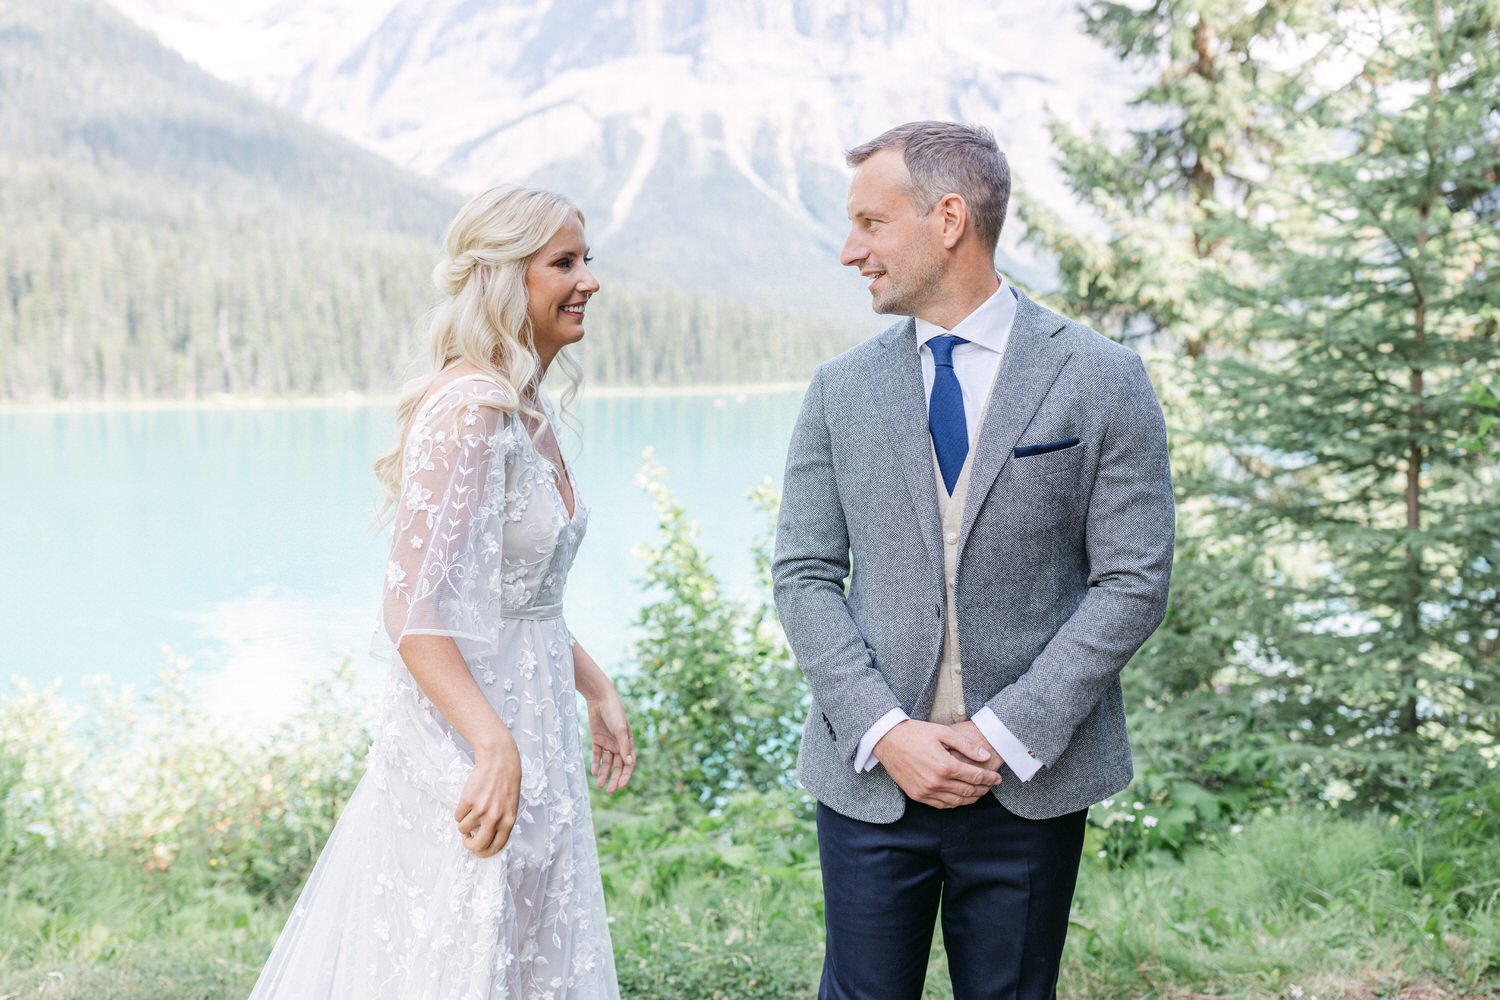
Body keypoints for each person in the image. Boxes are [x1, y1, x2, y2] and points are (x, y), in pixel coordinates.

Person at [772, 121, 1175, 1000]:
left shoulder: (1101, 378)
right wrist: (886, 732)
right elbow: (803, 573)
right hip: (872, 784)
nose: (851, 250)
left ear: (948, 218)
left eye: (871, 224)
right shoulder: (840, 390)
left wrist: (1002, 735)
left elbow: (1134, 580)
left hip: (1027, 786)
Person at [248, 184, 636, 999]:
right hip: (468, 737)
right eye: (563, 263)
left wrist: (595, 687)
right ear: (504, 279)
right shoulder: (467, 410)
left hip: (533, 727)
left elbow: (512, 600)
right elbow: (413, 613)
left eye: (586, 260)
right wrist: (492, 747)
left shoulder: (526, 408)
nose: (588, 281)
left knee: (527, 951)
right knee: (458, 953)